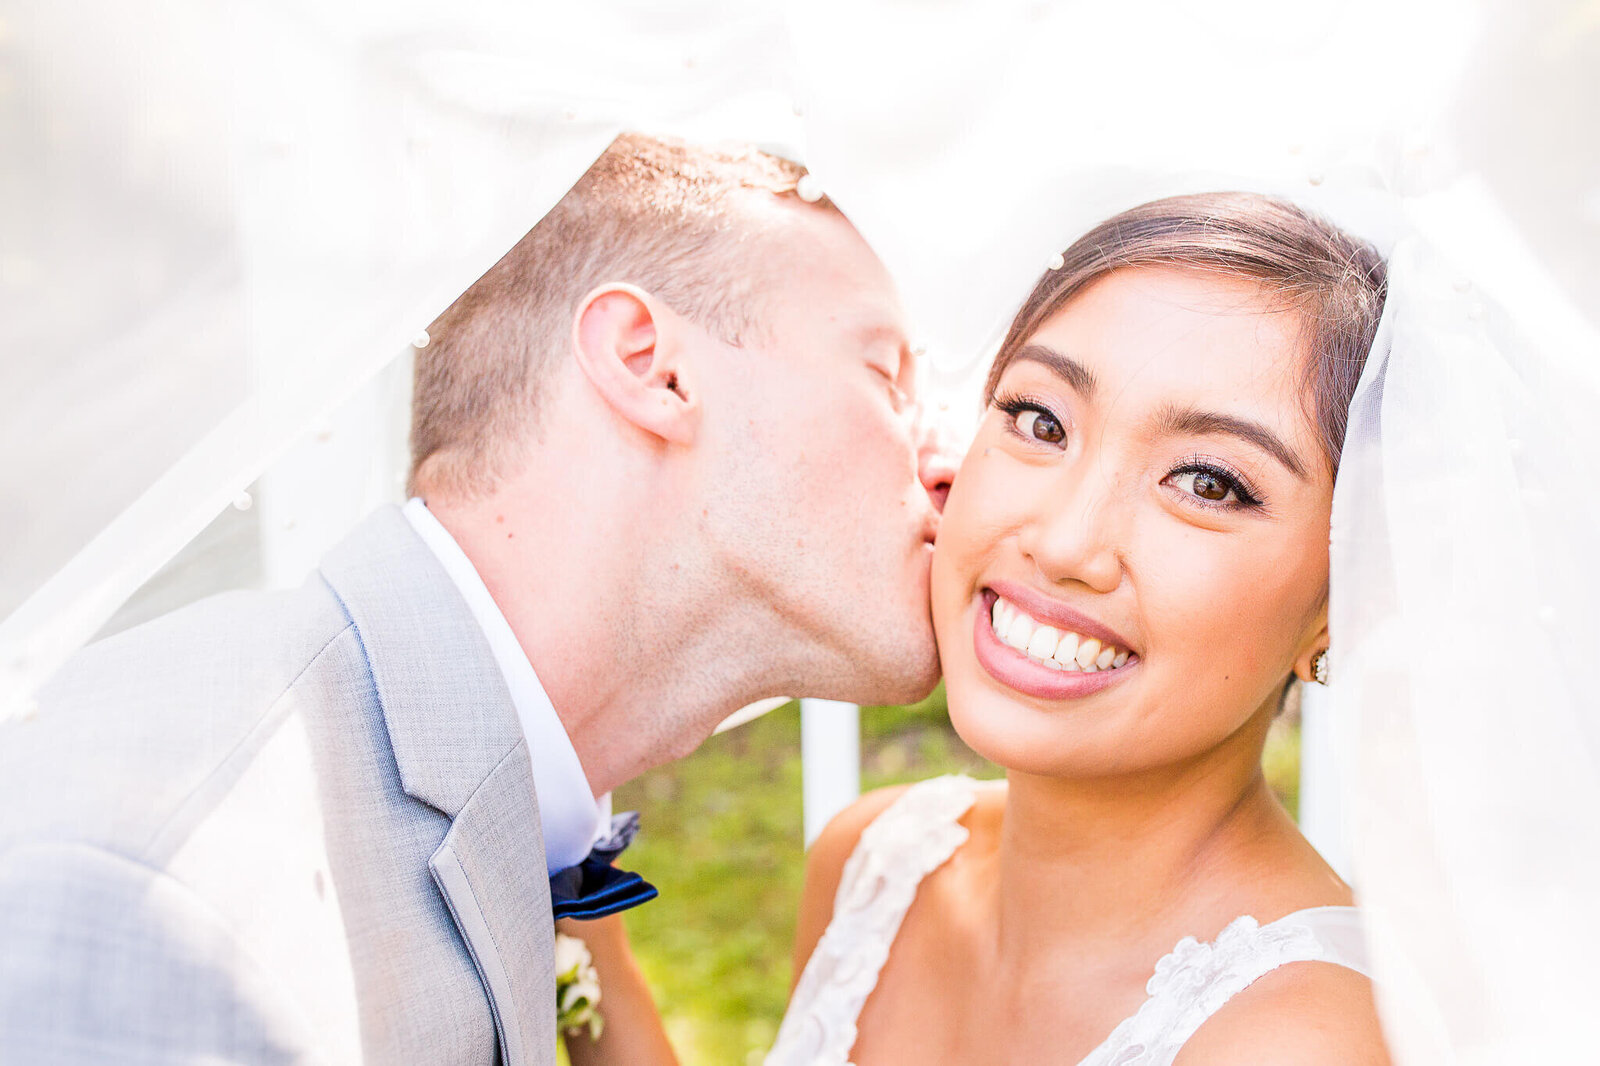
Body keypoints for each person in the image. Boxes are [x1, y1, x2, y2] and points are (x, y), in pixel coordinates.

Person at [0, 133, 954, 1065]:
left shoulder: (418, 784)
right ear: (649, 366)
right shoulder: (168, 900)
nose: (946, 463)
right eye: (886, 376)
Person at [762, 192, 1394, 1064]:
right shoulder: (876, 861)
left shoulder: (1300, 1040)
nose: (1064, 543)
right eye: (1040, 419)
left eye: (1207, 483)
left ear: (1343, 600)